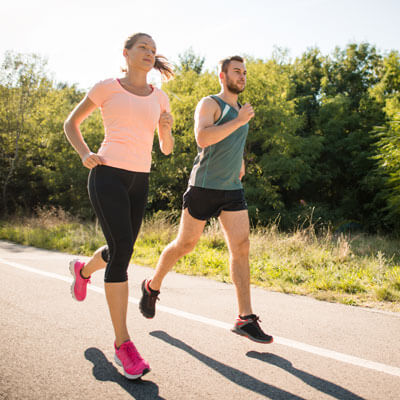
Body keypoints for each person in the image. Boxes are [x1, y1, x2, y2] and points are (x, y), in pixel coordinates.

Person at [139, 55, 273, 344]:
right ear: (222, 75)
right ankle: (152, 287)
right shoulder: (210, 103)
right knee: (185, 245)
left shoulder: (241, 110)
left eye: (245, 72)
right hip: (203, 186)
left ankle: (245, 318)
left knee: (241, 247)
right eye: (237, 71)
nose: (242, 76)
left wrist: (240, 164)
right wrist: (238, 121)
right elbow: (202, 138)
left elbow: (234, 142)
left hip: (231, 189)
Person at [63, 32, 174, 379]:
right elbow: (71, 123)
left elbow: (166, 149)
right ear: (125, 53)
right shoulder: (107, 87)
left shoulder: (161, 98)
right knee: (123, 249)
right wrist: (84, 153)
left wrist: (166, 128)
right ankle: (123, 344)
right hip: (107, 174)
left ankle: (83, 272)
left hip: (139, 180)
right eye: (143, 47)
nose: (149, 53)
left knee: (120, 248)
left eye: (153, 50)